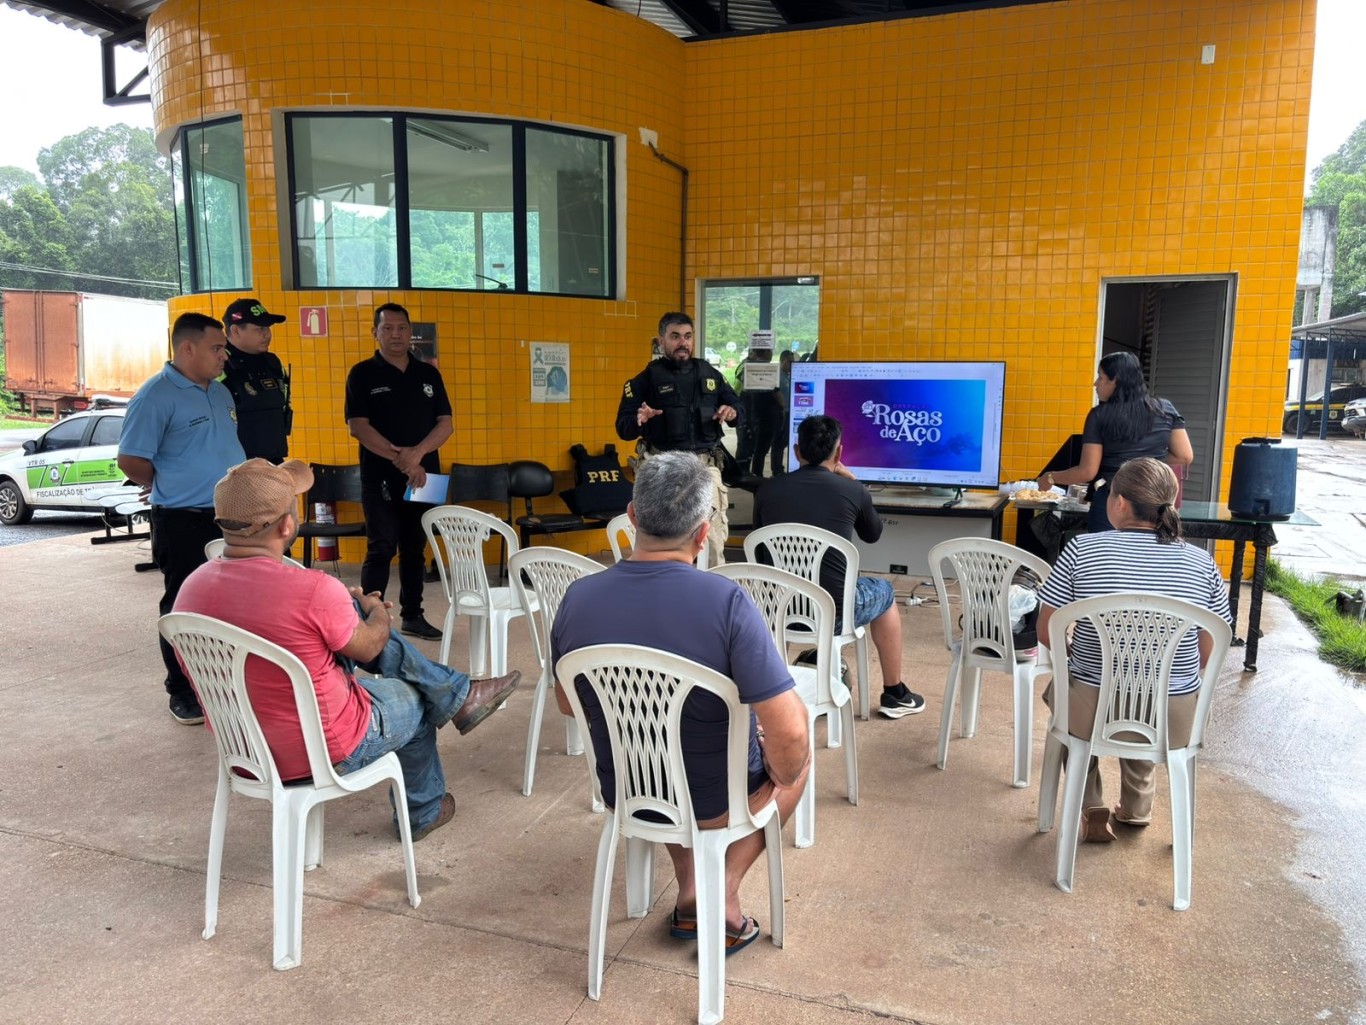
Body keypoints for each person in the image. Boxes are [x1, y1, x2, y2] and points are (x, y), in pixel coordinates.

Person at [174, 458, 521, 841]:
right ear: (288, 525)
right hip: (327, 748)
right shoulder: (311, 589)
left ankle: (457, 692)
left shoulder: (190, 591)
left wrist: (348, 610)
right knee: (418, 700)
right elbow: (368, 647)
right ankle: (424, 807)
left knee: (351, 620)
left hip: (247, 752)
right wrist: (377, 615)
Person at [551, 452, 810, 952]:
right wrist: (777, 771)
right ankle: (720, 891)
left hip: (629, 788)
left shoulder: (577, 599)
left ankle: (691, 887)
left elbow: (568, 703)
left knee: (659, 746)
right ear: (702, 533)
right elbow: (792, 733)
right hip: (716, 799)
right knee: (795, 760)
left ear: (631, 516)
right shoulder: (726, 602)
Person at [1037, 457, 1231, 843]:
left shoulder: (1082, 549)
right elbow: (1208, 652)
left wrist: (1082, 657)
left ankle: (1091, 803)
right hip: (1173, 719)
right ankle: (1138, 806)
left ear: (1120, 503)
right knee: (1147, 687)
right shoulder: (1202, 562)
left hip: (1091, 711)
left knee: (1065, 688)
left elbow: (1047, 632)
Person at [752, 414, 925, 719]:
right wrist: (856, 485)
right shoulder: (852, 490)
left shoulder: (766, 490)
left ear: (796, 451)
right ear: (839, 452)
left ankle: (782, 686)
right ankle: (894, 693)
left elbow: (761, 548)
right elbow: (873, 535)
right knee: (884, 590)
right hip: (834, 613)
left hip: (778, 608)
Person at [118, 312, 245, 725]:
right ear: (187, 348)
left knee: (230, 606)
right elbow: (131, 459)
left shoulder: (221, 393)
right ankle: (183, 690)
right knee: (184, 605)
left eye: (224, 347)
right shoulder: (155, 396)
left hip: (230, 516)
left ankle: (222, 683)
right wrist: (168, 480)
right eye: (216, 348)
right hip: (182, 518)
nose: (224, 355)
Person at [345, 303, 453, 640]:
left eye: (402, 328)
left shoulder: (429, 374)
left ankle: (413, 614)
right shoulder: (362, 373)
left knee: (415, 546)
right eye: (388, 328)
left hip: (425, 475)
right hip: (380, 476)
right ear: (374, 332)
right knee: (381, 546)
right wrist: (403, 460)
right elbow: (358, 427)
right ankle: (365, 618)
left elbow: (446, 424)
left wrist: (418, 455)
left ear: (410, 332)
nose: (396, 334)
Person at [615, 311, 742, 568]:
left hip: (705, 467)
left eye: (687, 336)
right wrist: (639, 419)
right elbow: (623, 427)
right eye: (675, 337)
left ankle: (714, 600)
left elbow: (738, 408)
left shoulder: (710, 375)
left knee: (713, 542)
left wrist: (732, 411)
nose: (682, 342)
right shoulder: (645, 380)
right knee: (661, 541)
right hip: (663, 469)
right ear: (661, 341)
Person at [1041, 351, 1194, 532]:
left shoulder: (1099, 415)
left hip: (1112, 500)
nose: (1095, 384)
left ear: (1115, 381)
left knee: (1106, 557)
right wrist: (1149, 460)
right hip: (1154, 499)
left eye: (1100, 377)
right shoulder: (1165, 409)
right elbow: (1184, 455)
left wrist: (1050, 477)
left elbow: (1087, 472)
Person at [221, 297, 291, 463]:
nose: (267, 334)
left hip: (273, 459)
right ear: (236, 330)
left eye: (267, 327)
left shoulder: (273, 363)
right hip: (234, 465)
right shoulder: (219, 363)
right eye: (259, 328)